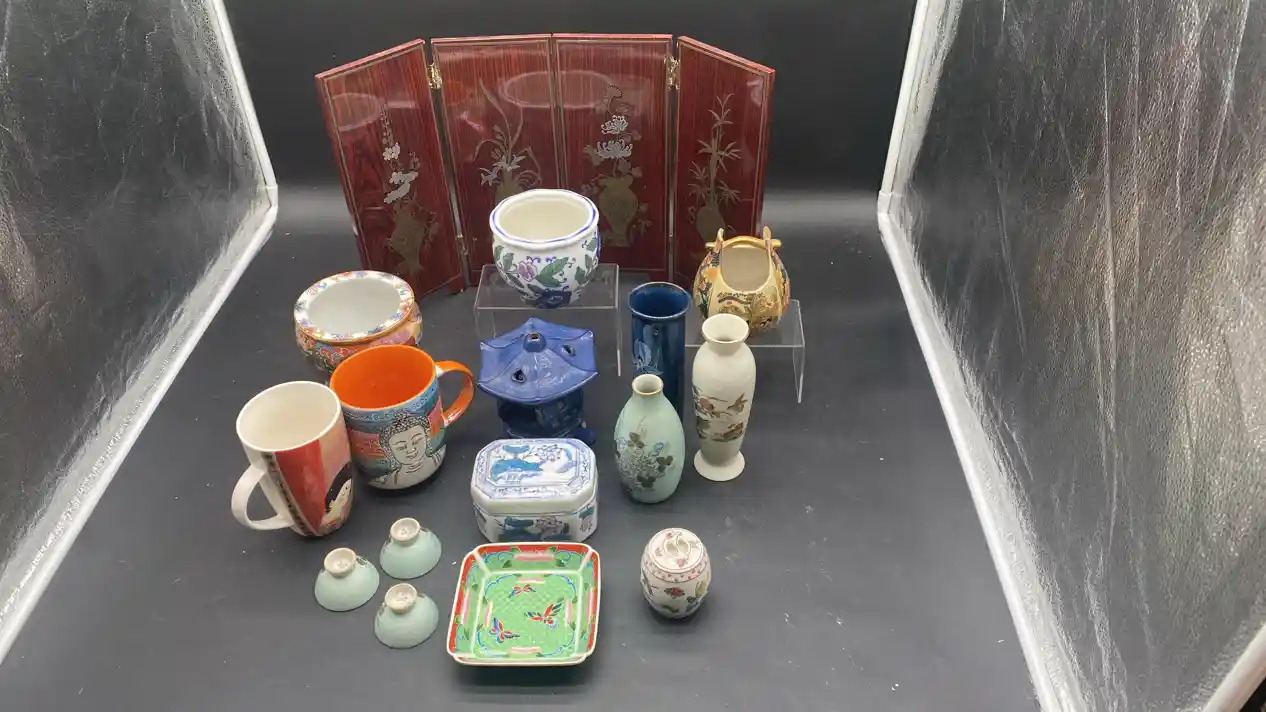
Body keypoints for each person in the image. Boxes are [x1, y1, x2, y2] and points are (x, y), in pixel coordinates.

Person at [376, 411, 443, 488]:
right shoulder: (387, 480)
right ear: (388, 451)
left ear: (427, 436)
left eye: (417, 441)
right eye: (401, 447)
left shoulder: (437, 457)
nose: (411, 450)